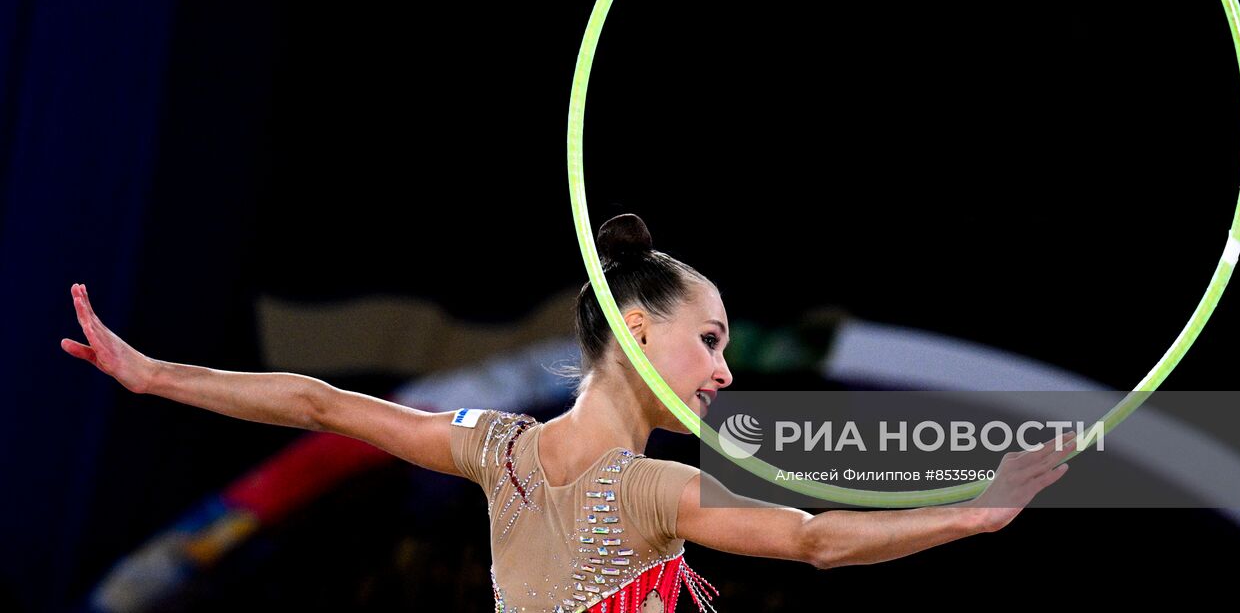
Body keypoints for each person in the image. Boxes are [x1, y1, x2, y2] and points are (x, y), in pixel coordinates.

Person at [62, 213, 1071, 612]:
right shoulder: (653, 489)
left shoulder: (493, 447)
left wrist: (157, 377)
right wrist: (972, 514)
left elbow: (319, 403)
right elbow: (812, 539)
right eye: (709, 339)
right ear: (636, 331)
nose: (725, 371)